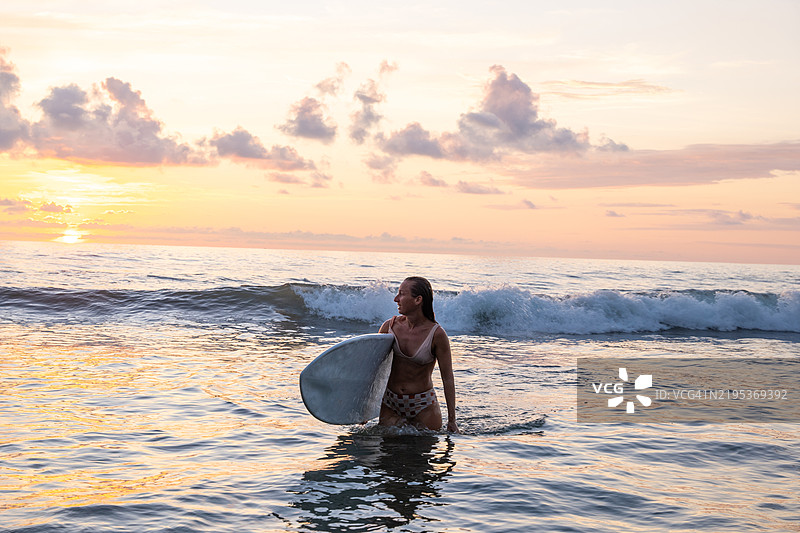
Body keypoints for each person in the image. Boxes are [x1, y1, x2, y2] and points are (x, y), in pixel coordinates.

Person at [378, 276, 459, 433]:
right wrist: (364, 409)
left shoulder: (437, 334)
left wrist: (452, 420)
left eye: (401, 294)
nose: (396, 299)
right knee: (386, 455)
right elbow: (373, 368)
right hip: (390, 403)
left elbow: (447, 378)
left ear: (418, 300)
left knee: (421, 454)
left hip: (424, 406)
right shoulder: (389, 327)